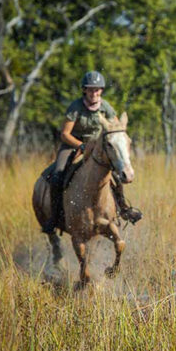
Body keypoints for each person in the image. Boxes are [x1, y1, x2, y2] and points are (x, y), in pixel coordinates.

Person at [42, 71, 142, 234]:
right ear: (84, 91)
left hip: (98, 147)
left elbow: (115, 128)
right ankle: (54, 217)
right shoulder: (75, 107)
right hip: (73, 145)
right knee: (57, 175)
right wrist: (81, 146)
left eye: (97, 90)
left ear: (101, 90)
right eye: (90, 90)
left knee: (116, 175)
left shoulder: (105, 107)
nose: (94, 93)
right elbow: (65, 134)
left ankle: (123, 209)